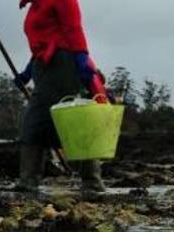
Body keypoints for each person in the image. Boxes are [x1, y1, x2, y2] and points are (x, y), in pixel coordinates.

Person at [17, 0, 108, 193]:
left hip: (62, 64)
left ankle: (29, 181)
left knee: (44, 120)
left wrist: (81, 57)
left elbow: (73, 28)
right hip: (44, 65)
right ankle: (90, 181)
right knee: (64, 122)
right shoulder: (36, 5)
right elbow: (43, 41)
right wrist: (27, 72)